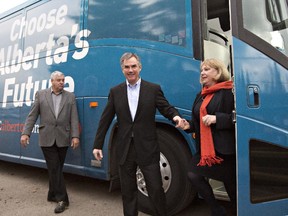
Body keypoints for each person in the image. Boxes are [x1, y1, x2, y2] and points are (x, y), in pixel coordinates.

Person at [92, 52, 183, 216]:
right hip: (125, 149)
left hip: (147, 147)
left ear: (140, 67)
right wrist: (97, 144)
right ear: (122, 70)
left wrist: (175, 116)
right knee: (128, 192)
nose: (130, 70)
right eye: (127, 67)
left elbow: (166, 107)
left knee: (155, 188)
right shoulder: (115, 91)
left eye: (133, 66)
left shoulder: (153, 89)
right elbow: (105, 119)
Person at [179, 59, 236, 216]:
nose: (202, 72)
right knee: (193, 175)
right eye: (202, 70)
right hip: (206, 150)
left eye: (207, 69)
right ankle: (217, 210)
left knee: (231, 187)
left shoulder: (228, 92)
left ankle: (236, 211)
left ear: (218, 72)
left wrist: (217, 119)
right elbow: (198, 121)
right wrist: (188, 126)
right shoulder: (201, 94)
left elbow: (238, 118)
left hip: (224, 149)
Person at [20, 71, 80, 214]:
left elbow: (74, 118)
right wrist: (25, 133)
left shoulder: (70, 97)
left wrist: (75, 136)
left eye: (63, 80)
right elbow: (32, 115)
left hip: (63, 137)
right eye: (58, 80)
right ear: (52, 81)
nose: (61, 82)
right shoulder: (41, 95)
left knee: (57, 167)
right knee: (54, 167)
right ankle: (62, 199)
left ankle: (52, 193)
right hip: (46, 137)